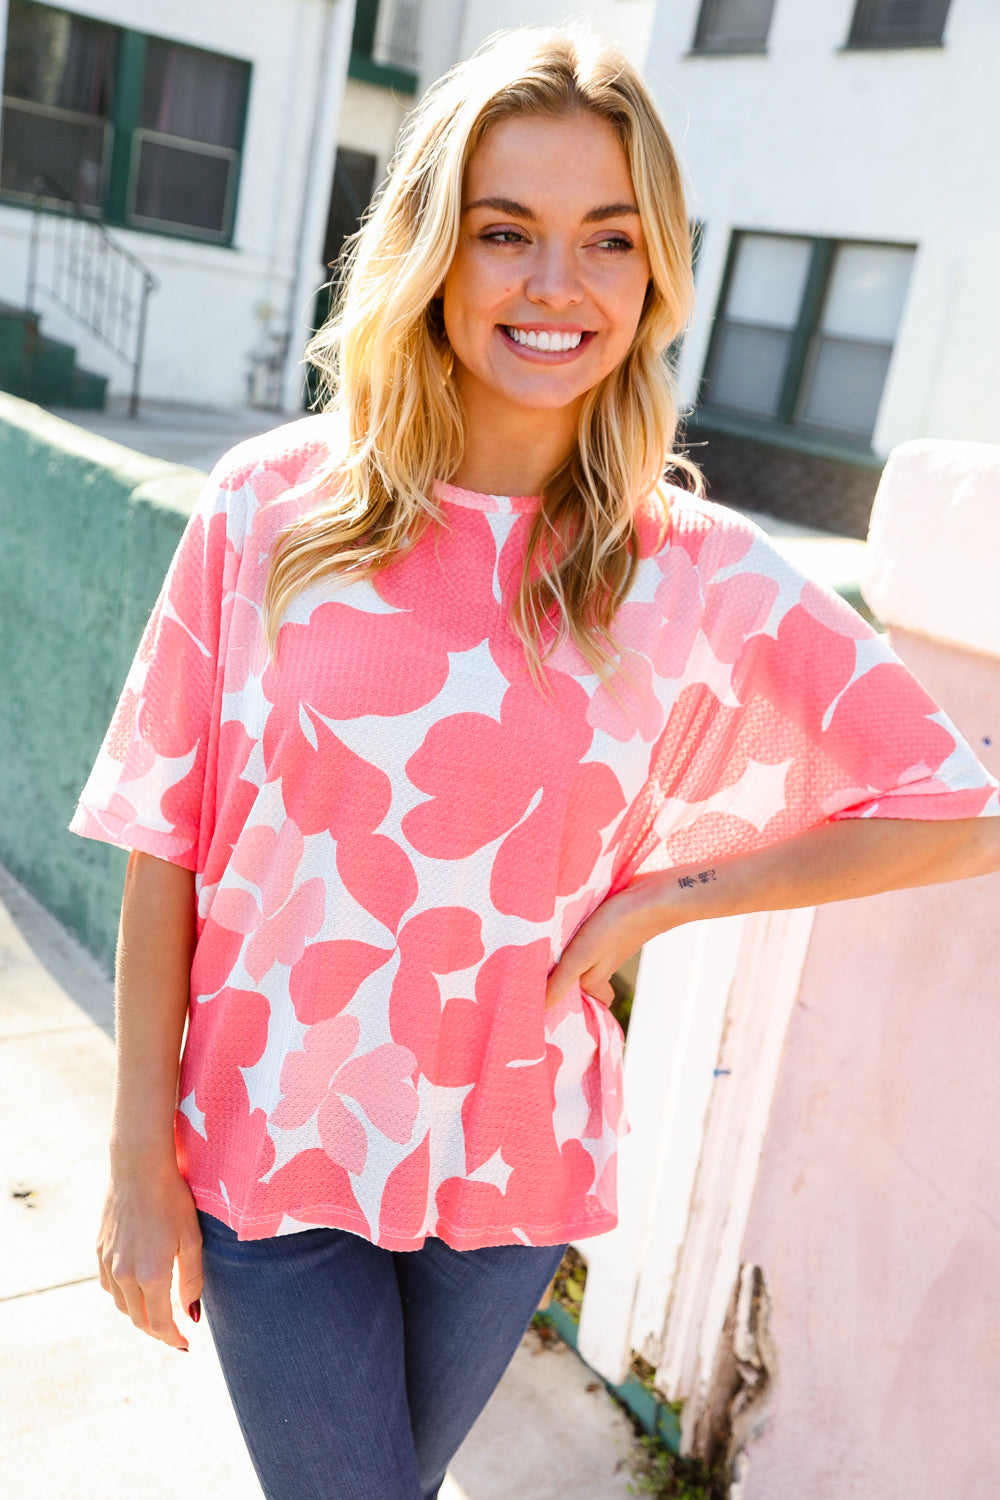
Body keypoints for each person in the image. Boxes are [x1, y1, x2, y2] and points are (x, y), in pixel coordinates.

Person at [72, 27, 999, 1500]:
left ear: (655, 273)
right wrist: (137, 1165)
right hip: (267, 1151)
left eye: (607, 240)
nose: (557, 285)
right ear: (436, 252)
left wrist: (664, 902)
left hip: (508, 1168)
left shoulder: (689, 567)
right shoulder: (270, 508)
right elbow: (160, 832)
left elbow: (962, 814)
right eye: (507, 232)